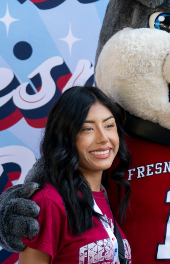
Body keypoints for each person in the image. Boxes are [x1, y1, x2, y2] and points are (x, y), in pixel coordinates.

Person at [18, 86, 132, 264]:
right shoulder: (49, 202)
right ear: (66, 137)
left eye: (109, 125)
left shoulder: (106, 196)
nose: (103, 138)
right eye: (88, 129)